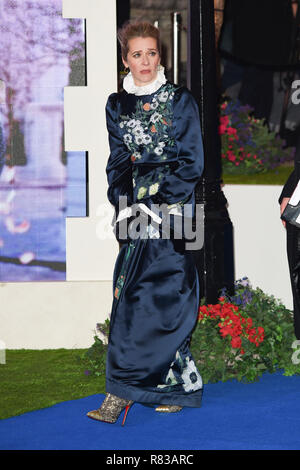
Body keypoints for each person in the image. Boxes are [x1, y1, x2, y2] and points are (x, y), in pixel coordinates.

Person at [86, 20, 204, 425]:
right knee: (129, 298)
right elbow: (118, 163)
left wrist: (157, 197)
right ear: (126, 60)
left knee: (174, 296)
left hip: (180, 211)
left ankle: (175, 386)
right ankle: (120, 392)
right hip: (135, 211)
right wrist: (122, 202)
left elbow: (193, 163)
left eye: (152, 53)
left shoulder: (181, 100)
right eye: (137, 54)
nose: (146, 61)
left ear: (160, 56)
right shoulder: (116, 105)